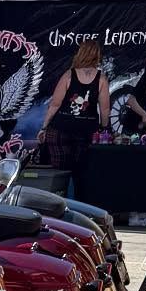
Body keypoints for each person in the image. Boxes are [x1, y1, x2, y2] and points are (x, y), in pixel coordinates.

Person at [37, 37, 110, 189]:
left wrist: (44, 127)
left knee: (59, 176)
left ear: (80, 54)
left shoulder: (68, 75)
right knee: (82, 176)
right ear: (97, 56)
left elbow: (55, 104)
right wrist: (104, 128)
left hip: (60, 129)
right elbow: (105, 109)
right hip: (86, 132)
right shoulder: (101, 79)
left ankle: (57, 207)